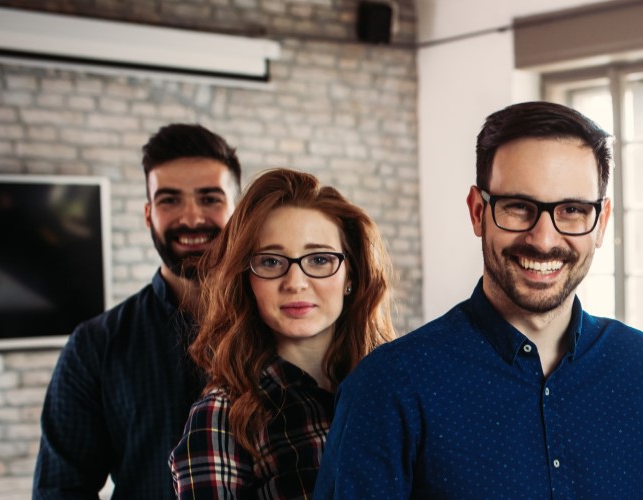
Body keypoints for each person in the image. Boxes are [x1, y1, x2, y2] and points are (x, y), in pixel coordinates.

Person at [314, 101, 643, 498]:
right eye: (518, 207)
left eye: (573, 210)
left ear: (601, 222)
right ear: (478, 212)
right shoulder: (389, 385)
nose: (544, 239)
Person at [35, 124, 240, 499]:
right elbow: (59, 490)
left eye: (210, 199)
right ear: (148, 214)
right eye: (170, 200)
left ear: (238, 213)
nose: (192, 218)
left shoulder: (282, 324)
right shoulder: (95, 346)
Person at [168, 168, 395, 497]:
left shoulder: (395, 389)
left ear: (351, 276)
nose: (296, 282)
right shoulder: (221, 417)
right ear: (247, 279)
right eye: (272, 262)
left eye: (319, 259)